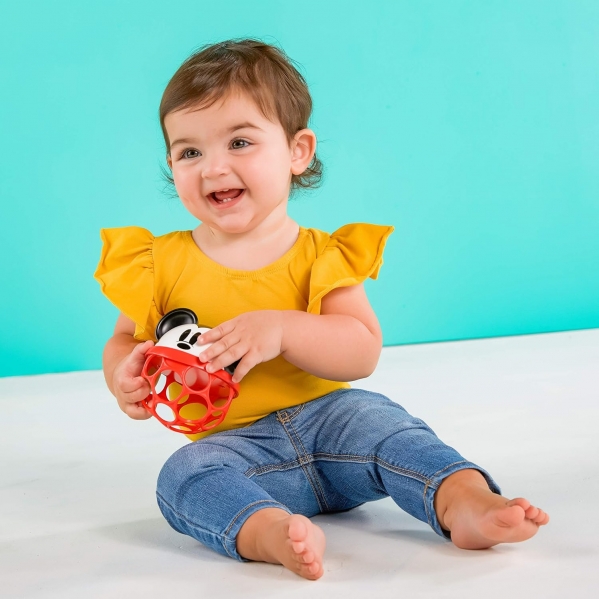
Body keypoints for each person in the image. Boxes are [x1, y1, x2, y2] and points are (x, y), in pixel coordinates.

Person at [94, 39, 549, 581]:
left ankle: (463, 500)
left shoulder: (321, 255)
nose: (213, 168)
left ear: (298, 151)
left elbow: (362, 352)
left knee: (386, 424)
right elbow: (126, 341)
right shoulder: (158, 262)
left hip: (334, 424)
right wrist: (123, 374)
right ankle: (267, 530)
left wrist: (285, 329)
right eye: (189, 152)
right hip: (237, 450)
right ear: (170, 163)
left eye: (239, 142)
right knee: (184, 475)